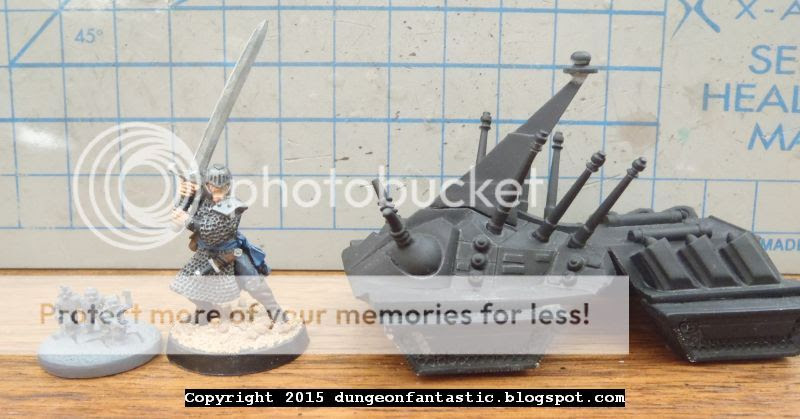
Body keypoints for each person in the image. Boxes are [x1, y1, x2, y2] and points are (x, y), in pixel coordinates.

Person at [170, 164, 282, 324]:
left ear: (228, 186)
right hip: (204, 254)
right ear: (208, 186)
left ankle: (276, 312)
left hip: (229, 254)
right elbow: (178, 218)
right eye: (213, 189)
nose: (217, 195)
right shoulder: (203, 200)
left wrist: (187, 220)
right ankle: (207, 312)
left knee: (254, 283)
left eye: (221, 189)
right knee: (187, 283)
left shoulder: (233, 206)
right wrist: (185, 194)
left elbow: (212, 232)